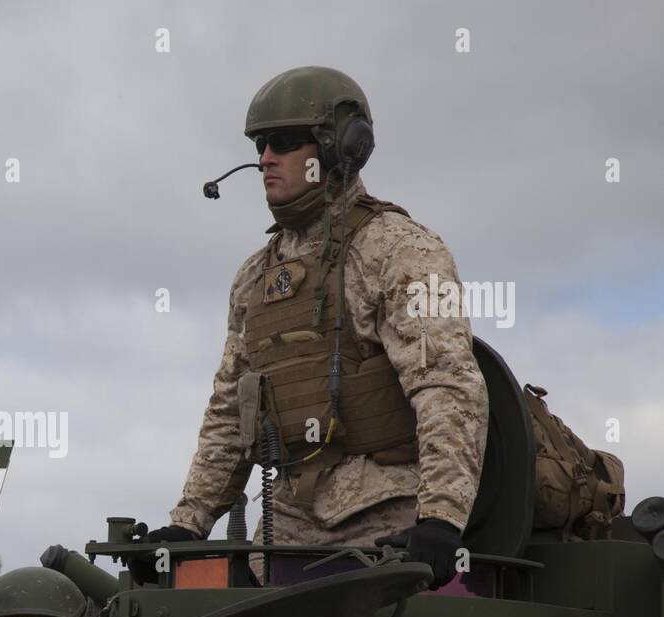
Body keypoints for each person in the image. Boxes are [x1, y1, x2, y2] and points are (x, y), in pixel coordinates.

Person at [141, 66, 487, 589]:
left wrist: (440, 519)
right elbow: (230, 411)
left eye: (282, 142)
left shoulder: (400, 249)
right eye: (260, 144)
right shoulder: (255, 275)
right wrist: (187, 525)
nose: (264, 159)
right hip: (285, 530)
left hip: (388, 529)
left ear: (338, 145)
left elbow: (446, 385)